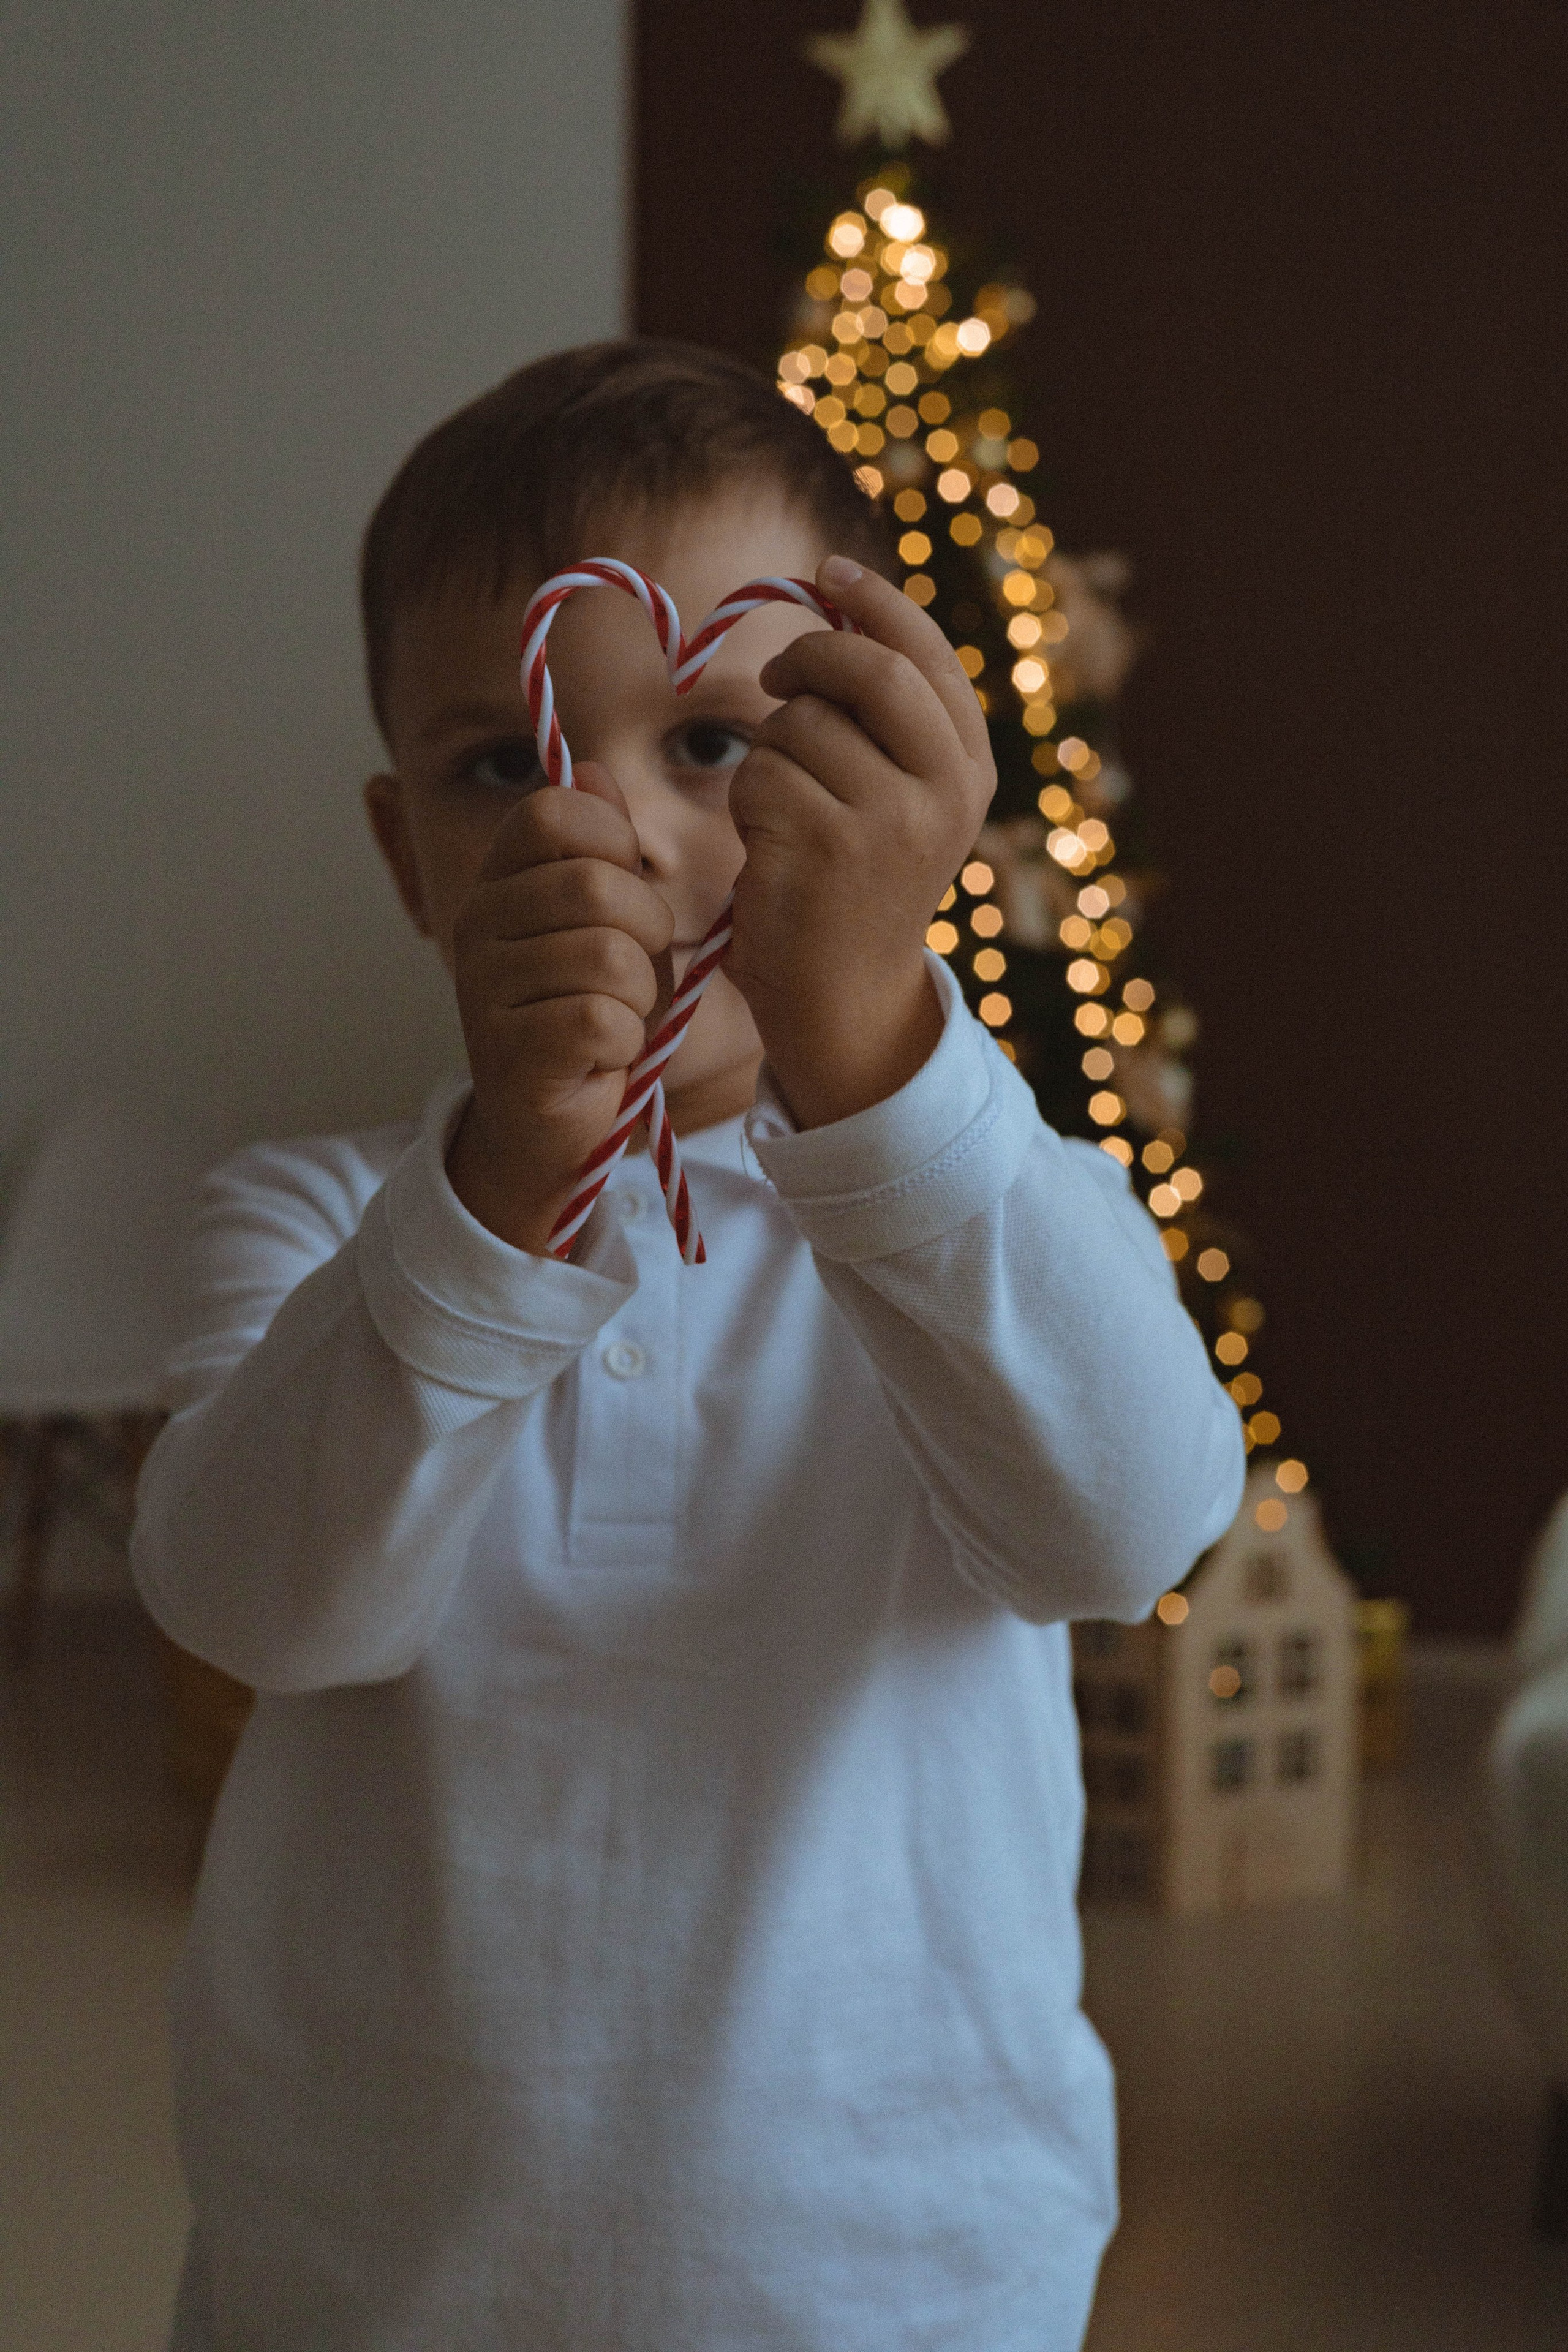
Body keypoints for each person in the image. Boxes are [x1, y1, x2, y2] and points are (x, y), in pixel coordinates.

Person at [133, 339, 1245, 2351]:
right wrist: (494, 1192)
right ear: (410, 863)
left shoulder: (990, 1208)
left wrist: (877, 1050)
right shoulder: (315, 1226)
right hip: (366, 2282)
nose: (615, 832)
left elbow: (1130, 1532)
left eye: (716, 744)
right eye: (503, 765)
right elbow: (258, 1609)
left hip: (900, 2277)